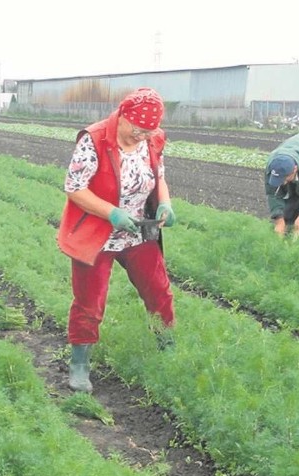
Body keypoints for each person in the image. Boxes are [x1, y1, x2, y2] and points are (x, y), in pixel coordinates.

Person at [57, 87, 177, 393]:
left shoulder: (153, 139)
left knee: (158, 290)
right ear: (122, 115)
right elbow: (75, 187)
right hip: (99, 232)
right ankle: (80, 364)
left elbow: (158, 175)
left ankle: (169, 348)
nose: (141, 137)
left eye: (147, 133)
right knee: (90, 301)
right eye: (137, 130)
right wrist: (112, 213)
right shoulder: (95, 139)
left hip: (139, 229)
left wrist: (165, 203)